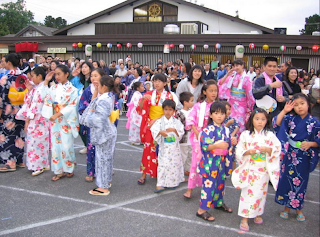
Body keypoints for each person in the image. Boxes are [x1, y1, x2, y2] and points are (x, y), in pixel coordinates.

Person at [232, 108, 281, 231]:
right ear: (252, 120)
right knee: (248, 194)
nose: (260, 122)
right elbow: (238, 150)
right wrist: (248, 151)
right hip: (250, 169)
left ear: (267, 121)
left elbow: (277, 148)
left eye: (263, 119)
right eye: (257, 119)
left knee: (261, 193)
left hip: (263, 169)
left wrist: (269, 150)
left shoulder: (269, 135)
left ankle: (258, 213)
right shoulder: (245, 135)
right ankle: (245, 218)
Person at [273, 94, 319, 221]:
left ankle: (299, 208)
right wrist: (284, 110)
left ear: (308, 104)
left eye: (302, 103)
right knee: (286, 180)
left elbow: (318, 139)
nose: (299, 107)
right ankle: (286, 208)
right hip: (290, 155)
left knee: (301, 183)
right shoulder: (290, 118)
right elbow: (277, 124)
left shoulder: (314, 122)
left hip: (304, 157)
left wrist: (311, 144)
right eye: (296, 105)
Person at [136, 73, 179, 185]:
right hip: (151, 124)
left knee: (165, 149)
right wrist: (142, 100)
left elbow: (172, 111)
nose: (156, 83)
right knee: (148, 149)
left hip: (164, 124)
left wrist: (158, 119)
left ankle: (164, 173)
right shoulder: (149, 94)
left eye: (159, 81)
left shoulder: (170, 96)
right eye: (155, 81)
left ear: (165, 83)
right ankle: (144, 173)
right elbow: (140, 109)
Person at [196, 102, 234, 222]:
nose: (219, 116)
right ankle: (201, 210)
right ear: (211, 115)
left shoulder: (225, 129)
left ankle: (218, 202)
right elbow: (205, 146)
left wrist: (232, 142)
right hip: (211, 162)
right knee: (209, 185)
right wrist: (217, 146)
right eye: (216, 113)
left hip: (221, 161)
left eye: (222, 113)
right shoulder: (208, 130)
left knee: (220, 184)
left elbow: (227, 144)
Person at [80, 75, 117, 195]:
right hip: (108, 131)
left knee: (102, 159)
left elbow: (98, 119)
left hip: (103, 134)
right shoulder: (108, 96)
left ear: (104, 86)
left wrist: (88, 116)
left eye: (99, 85)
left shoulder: (104, 100)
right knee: (106, 158)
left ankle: (103, 186)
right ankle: (106, 181)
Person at [41, 65, 79, 181]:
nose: (57, 76)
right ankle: (59, 170)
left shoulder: (73, 90)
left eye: (59, 74)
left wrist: (57, 114)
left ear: (66, 74)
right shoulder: (53, 88)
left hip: (65, 120)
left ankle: (69, 167)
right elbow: (45, 98)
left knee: (66, 145)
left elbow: (73, 106)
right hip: (54, 120)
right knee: (56, 146)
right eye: (55, 74)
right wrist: (46, 81)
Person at [184, 80, 219, 198]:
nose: (214, 93)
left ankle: (209, 186)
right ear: (204, 91)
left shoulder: (217, 106)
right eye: (211, 90)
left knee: (211, 163)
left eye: (215, 91)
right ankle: (190, 189)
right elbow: (190, 119)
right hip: (198, 137)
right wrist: (196, 131)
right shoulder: (199, 106)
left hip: (213, 137)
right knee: (195, 162)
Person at [15, 67, 50, 176]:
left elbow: (35, 106)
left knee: (35, 143)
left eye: (33, 76)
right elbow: (30, 102)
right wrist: (30, 90)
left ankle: (38, 166)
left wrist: (27, 121)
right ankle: (44, 164)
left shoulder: (41, 88)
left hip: (37, 119)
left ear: (39, 76)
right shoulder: (38, 88)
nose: (31, 78)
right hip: (40, 119)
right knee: (40, 142)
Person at [0, 53, 27, 172]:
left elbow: (2, 98)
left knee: (7, 136)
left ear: (9, 63)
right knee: (19, 134)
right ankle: (20, 160)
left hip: (9, 111)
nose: (3, 63)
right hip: (21, 110)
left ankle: (10, 162)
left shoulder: (5, 79)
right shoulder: (23, 76)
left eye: (3, 61)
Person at [151, 99, 185, 192]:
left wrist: (174, 131)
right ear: (163, 110)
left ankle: (173, 182)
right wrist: (160, 132)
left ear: (174, 111)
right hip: (164, 147)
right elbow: (154, 130)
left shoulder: (176, 122)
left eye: (170, 110)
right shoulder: (160, 121)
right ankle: (160, 184)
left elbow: (181, 132)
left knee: (174, 163)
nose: (168, 112)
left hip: (174, 147)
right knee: (163, 164)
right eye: (166, 109)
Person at [79, 68, 106, 182]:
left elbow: (114, 107)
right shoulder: (87, 91)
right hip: (92, 125)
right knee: (91, 148)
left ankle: (105, 170)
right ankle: (91, 172)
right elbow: (83, 107)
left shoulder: (107, 90)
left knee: (105, 149)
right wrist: (95, 91)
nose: (93, 78)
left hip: (105, 125)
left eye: (96, 76)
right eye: (92, 76)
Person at [218, 59, 255, 133]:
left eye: (237, 66)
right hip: (231, 102)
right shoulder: (232, 76)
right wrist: (227, 74)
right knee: (229, 121)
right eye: (234, 66)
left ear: (242, 66)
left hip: (241, 104)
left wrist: (251, 105)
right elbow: (221, 83)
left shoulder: (246, 78)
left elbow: (249, 93)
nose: (235, 67)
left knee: (240, 123)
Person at [175, 92, 194, 176]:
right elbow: (178, 126)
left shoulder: (193, 112)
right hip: (184, 138)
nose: (193, 102)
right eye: (191, 101)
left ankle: (188, 170)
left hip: (192, 138)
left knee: (191, 155)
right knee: (183, 155)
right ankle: (180, 173)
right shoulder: (179, 113)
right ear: (185, 102)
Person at [78, 62, 93, 154]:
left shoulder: (92, 80)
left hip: (90, 106)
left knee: (89, 129)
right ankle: (86, 145)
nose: (84, 69)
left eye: (86, 67)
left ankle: (89, 146)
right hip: (81, 106)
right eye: (82, 67)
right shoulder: (81, 80)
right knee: (81, 129)